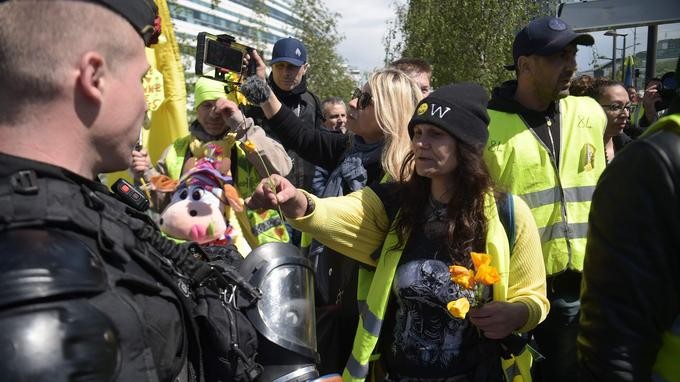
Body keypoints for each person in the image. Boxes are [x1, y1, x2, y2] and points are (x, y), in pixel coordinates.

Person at [247, 83, 548, 382]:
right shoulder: (394, 205)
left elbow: (534, 297)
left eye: (435, 134)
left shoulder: (508, 213)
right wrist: (296, 200)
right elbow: (334, 212)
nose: (420, 143)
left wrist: (518, 313)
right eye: (417, 133)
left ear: (467, 144)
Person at [0, 1, 204, 380]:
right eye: (142, 80)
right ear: (94, 77)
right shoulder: (46, 283)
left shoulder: (59, 209)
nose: (146, 105)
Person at [246, 49, 422, 375]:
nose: (353, 104)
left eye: (365, 100)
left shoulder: (403, 176)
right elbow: (300, 135)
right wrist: (262, 91)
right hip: (331, 294)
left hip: (370, 313)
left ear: (390, 113)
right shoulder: (350, 149)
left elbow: (352, 215)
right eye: (357, 94)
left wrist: (298, 201)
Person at [483, 16, 607, 382]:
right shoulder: (488, 127)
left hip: (591, 284)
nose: (571, 66)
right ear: (525, 65)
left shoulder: (589, 113)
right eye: (559, 57)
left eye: (573, 55)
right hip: (520, 291)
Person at [578, 101, 680, 380]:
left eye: (628, 105)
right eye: (614, 106)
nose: (624, 113)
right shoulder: (653, 161)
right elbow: (615, 347)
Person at [131, 76, 293, 248]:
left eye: (220, 107)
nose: (213, 114)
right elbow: (165, 203)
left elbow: (281, 170)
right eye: (206, 105)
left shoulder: (248, 140)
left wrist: (241, 126)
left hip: (254, 254)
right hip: (190, 252)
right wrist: (147, 172)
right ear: (196, 108)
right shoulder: (178, 149)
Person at [244, 37, 323, 194]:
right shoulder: (254, 99)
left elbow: (319, 150)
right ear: (271, 66)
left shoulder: (312, 102)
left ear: (305, 68)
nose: (286, 73)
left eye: (292, 67)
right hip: (265, 192)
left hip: (302, 193)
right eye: (280, 66)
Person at [584, 79, 633, 163]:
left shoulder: (631, 148)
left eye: (627, 107)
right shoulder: (579, 148)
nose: (625, 114)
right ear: (593, 107)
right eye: (615, 107)